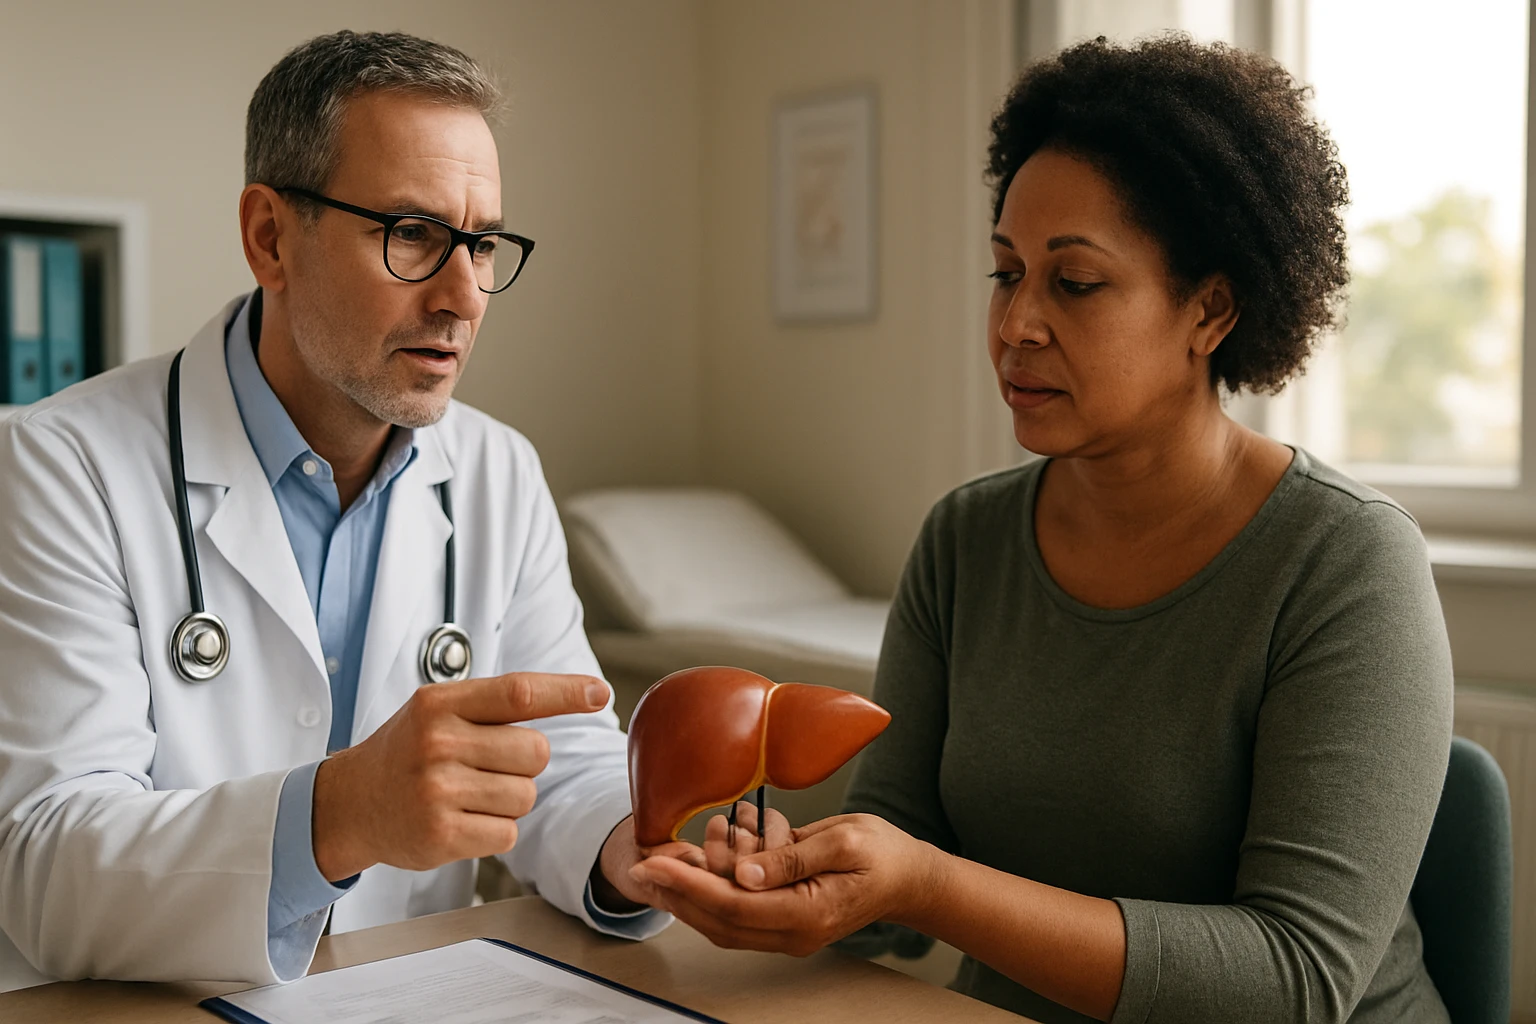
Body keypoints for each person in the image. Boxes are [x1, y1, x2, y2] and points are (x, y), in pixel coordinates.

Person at [628, 35, 1455, 1024]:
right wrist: (796, 875)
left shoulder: (1347, 560)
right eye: (1005, 271)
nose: (1016, 322)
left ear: (1211, 310)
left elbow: (1296, 980)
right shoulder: (965, 540)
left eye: (1075, 283)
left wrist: (925, 885)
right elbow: (896, 842)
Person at [0, 30, 693, 993]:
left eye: (483, 244)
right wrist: (341, 815)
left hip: (399, 997)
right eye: (412, 234)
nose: (463, 297)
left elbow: (559, 762)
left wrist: (641, 847)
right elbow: (42, 863)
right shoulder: (62, 464)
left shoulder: (497, 470)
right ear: (270, 238)